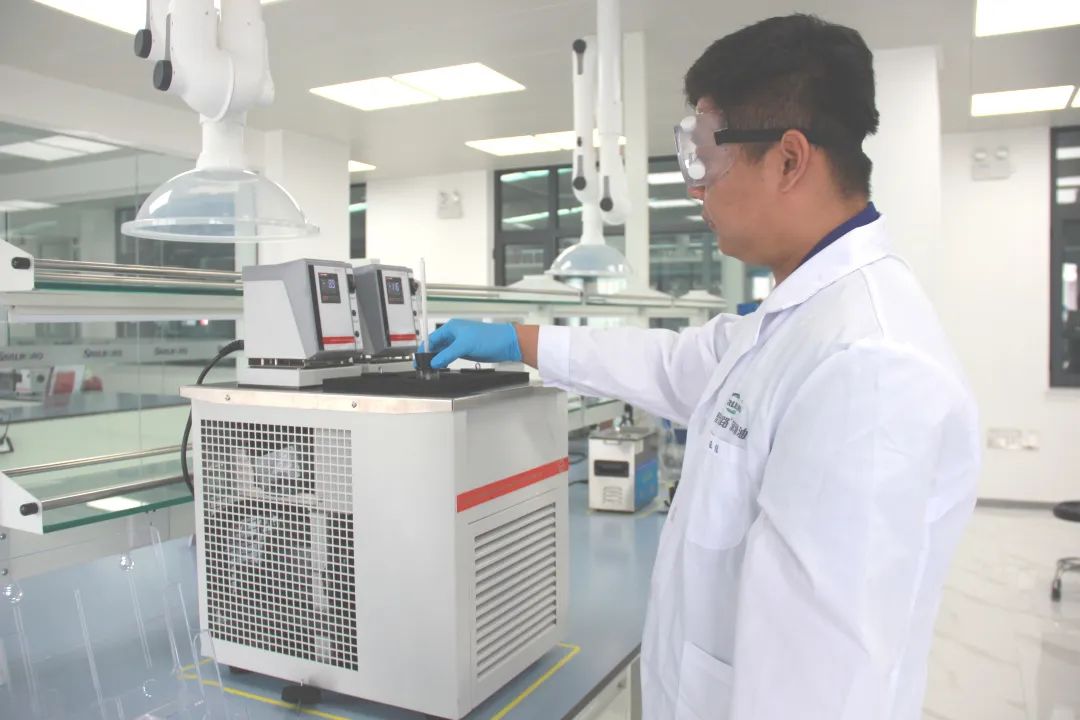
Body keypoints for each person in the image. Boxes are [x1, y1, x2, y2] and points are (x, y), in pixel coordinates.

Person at [427, 14, 980, 720]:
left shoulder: (868, 367)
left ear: (789, 160)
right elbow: (672, 364)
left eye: (708, 161)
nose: (696, 189)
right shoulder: (795, 318)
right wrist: (521, 339)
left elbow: (813, 691)